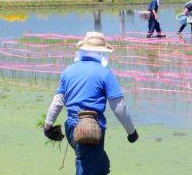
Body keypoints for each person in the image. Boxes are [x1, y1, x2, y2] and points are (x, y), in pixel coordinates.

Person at [43, 32, 138, 174]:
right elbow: (118, 107)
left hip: (71, 128)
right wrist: (132, 132)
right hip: (90, 131)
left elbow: (58, 101)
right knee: (86, 167)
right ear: (101, 53)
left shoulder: (68, 71)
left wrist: (48, 125)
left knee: (102, 165)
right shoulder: (105, 73)